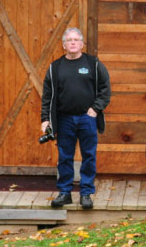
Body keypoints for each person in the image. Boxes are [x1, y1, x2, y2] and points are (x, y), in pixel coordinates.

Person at [40, 27, 110, 209]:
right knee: (65, 157)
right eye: (69, 40)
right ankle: (64, 193)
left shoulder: (93, 64)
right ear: (64, 45)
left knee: (88, 156)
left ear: (82, 44)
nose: (72, 42)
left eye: (76, 40)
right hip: (64, 120)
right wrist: (45, 119)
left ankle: (86, 194)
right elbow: (47, 96)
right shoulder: (54, 68)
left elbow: (105, 90)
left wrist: (95, 109)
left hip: (87, 119)